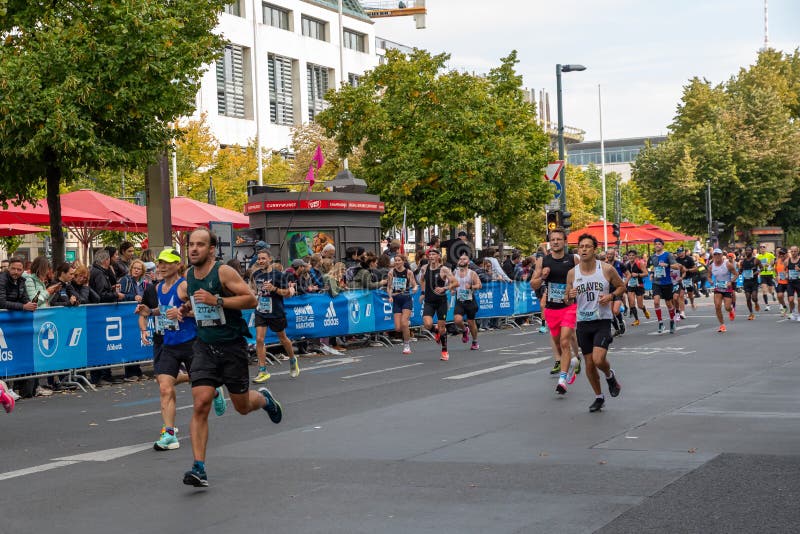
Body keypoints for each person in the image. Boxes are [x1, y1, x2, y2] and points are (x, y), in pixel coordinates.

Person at [181, 228, 283, 488]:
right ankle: (199, 467)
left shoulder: (223, 272)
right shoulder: (189, 275)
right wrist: (187, 308)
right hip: (204, 346)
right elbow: (197, 303)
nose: (194, 249)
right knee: (201, 402)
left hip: (231, 346)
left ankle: (265, 399)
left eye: (200, 245)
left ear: (211, 249)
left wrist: (217, 301)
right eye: (191, 244)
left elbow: (251, 300)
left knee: (242, 406)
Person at [136, 247, 227, 451]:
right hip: (169, 344)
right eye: (159, 263)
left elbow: (207, 309)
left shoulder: (185, 286)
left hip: (191, 343)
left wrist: (183, 312)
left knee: (200, 384)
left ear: (177, 265)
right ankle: (169, 434)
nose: (161, 266)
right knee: (164, 387)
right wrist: (149, 311)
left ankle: (215, 391)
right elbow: (164, 310)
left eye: (166, 263)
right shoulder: (158, 288)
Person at [566, 234, 625, 412]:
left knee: (598, 359)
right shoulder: (572, 273)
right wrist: (569, 296)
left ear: (594, 249)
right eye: (581, 246)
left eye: (587, 246)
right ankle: (599, 397)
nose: (583, 249)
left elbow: (621, 286)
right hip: (583, 323)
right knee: (590, 364)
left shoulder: (606, 269)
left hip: (602, 321)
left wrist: (611, 296)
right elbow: (567, 299)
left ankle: (609, 375)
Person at [531, 228, 581, 392]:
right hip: (552, 308)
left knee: (565, 341)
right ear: (549, 242)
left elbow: (584, 279)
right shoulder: (543, 261)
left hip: (569, 306)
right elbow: (533, 285)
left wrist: (575, 291)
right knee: (559, 344)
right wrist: (542, 277)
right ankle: (572, 362)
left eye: (559, 239)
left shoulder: (573, 259)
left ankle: (562, 380)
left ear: (565, 242)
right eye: (553, 239)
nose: (555, 242)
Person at [249, 249, 299, 383]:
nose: (260, 261)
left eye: (263, 258)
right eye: (259, 259)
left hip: (276, 311)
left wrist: (274, 289)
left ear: (270, 259)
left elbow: (287, 293)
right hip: (261, 311)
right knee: (259, 339)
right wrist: (253, 293)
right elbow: (255, 290)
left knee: (283, 338)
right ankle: (262, 370)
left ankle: (292, 359)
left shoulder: (278, 275)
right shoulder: (256, 274)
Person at [418, 249, 457, 361]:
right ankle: (436, 332)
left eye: (433, 254)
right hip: (429, 301)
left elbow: (455, 282)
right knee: (427, 324)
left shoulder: (444, 269)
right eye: (429, 254)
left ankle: (444, 350)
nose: (431, 256)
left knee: (442, 328)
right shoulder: (424, 268)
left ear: (438, 256)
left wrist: (445, 288)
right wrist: (423, 292)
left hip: (441, 302)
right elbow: (422, 280)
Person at [648, 238, 682, 334]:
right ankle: (660, 323)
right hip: (656, 282)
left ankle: (672, 321)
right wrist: (651, 273)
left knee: (669, 303)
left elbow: (677, 266)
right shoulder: (652, 257)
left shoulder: (668, 255)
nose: (657, 245)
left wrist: (667, 265)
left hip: (667, 282)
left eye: (659, 244)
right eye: (656, 244)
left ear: (662, 245)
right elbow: (651, 267)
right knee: (656, 302)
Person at [386, 254, 418, 355]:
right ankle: (407, 324)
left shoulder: (408, 272)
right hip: (396, 300)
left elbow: (415, 285)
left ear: (403, 261)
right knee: (398, 328)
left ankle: (406, 345)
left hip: (406, 299)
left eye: (399, 260)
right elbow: (389, 287)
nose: (397, 262)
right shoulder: (391, 272)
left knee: (404, 323)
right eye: (395, 260)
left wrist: (414, 289)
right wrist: (390, 296)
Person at [452, 253, 482, 351]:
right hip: (459, 300)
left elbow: (479, 285)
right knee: (457, 320)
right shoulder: (455, 272)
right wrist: (452, 289)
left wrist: (471, 286)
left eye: (464, 259)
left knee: (471, 322)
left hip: (470, 300)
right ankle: (465, 330)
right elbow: (451, 284)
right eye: (460, 259)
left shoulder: (472, 273)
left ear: (468, 262)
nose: (461, 260)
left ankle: (475, 341)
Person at [708, 248, 737, 332]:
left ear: (721, 255)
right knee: (717, 306)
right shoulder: (711, 266)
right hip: (718, 288)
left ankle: (731, 310)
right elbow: (709, 276)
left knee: (727, 307)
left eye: (718, 254)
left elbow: (736, 274)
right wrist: (710, 281)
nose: (717, 256)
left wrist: (730, 282)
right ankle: (722, 325)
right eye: (715, 254)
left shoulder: (727, 264)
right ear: (713, 256)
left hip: (727, 288)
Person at [624, 250, 650, 326]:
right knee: (631, 303)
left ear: (635, 256)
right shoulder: (627, 265)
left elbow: (646, 274)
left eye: (632, 255)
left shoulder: (639, 263)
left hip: (639, 286)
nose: (631, 257)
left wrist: (637, 275)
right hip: (630, 286)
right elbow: (626, 275)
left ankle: (644, 310)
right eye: (630, 255)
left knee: (640, 305)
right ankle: (636, 320)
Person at [738, 246, 762, 321]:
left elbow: (761, 268)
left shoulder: (756, 260)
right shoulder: (743, 261)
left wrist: (757, 272)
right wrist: (739, 271)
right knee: (748, 298)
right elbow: (741, 270)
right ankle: (751, 313)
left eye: (749, 250)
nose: (747, 251)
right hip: (746, 281)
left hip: (754, 281)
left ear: (752, 251)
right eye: (746, 250)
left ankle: (756, 303)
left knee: (754, 298)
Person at [675, 248, 698, 313]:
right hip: (680, 278)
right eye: (678, 252)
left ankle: (692, 303)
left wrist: (687, 270)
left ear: (684, 252)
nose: (679, 253)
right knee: (681, 295)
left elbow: (695, 269)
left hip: (688, 278)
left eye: (680, 252)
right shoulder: (676, 260)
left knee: (690, 294)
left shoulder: (689, 258)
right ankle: (682, 311)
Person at [756, 243, 777, 310]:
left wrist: (769, 264)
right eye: (761, 247)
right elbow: (756, 265)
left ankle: (773, 294)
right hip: (762, 275)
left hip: (769, 274)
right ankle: (767, 305)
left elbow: (773, 263)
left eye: (763, 247)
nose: (762, 248)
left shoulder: (770, 255)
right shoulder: (758, 257)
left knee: (770, 290)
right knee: (764, 290)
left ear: (766, 248)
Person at [785, 245, 800, 322]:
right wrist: (786, 274)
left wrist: (799, 269)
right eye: (792, 251)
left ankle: (799, 314)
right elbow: (785, 270)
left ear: (798, 251)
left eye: (795, 251)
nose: (793, 253)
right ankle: (793, 312)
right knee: (790, 299)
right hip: (790, 282)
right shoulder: (787, 260)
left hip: (799, 282)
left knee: (799, 299)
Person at [774, 248, 789, 317]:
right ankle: (784, 307)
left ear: (786, 254)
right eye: (780, 253)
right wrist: (776, 276)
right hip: (781, 281)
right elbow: (776, 271)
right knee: (779, 296)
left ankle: (791, 311)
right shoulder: (777, 261)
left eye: (783, 253)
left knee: (790, 298)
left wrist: (787, 275)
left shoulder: (789, 260)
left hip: (789, 282)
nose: (781, 255)